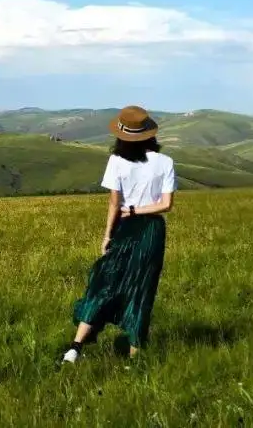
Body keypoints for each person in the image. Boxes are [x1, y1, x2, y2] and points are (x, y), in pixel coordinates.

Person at [62, 105, 176, 363]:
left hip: (125, 227)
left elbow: (115, 204)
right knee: (141, 289)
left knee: (104, 284)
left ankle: (76, 347)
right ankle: (136, 357)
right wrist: (139, 210)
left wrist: (107, 236)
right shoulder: (165, 162)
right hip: (152, 231)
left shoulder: (116, 161)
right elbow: (166, 205)